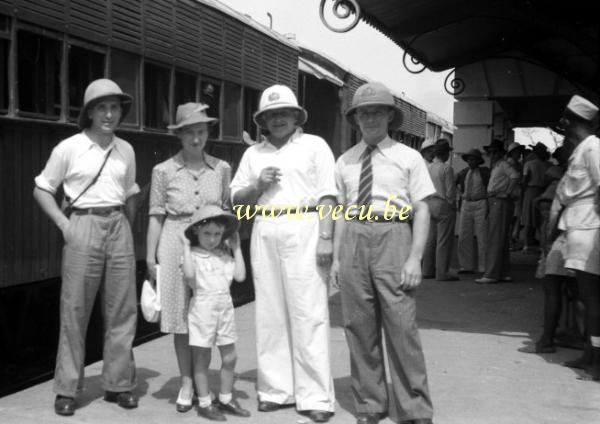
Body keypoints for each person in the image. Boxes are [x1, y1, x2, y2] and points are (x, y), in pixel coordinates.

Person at [33, 79, 140, 416]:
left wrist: (126, 227)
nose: (109, 114)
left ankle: (119, 384)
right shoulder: (69, 147)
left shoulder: (126, 149)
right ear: (90, 112)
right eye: (102, 108)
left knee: (122, 310)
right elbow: (42, 189)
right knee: (75, 311)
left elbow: (130, 191)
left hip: (118, 225)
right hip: (83, 226)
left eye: (115, 108)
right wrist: (65, 225)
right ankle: (67, 389)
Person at [230, 84, 336, 423]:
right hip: (265, 227)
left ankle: (316, 396)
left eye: (283, 113)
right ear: (262, 120)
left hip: (305, 228)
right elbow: (236, 200)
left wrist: (326, 237)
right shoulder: (253, 155)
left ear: (295, 116)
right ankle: (275, 390)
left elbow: (328, 196)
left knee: (309, 311)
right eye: (271, 115)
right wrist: (257, 185)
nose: (278, 119)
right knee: (271, 313)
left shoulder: (315, 146)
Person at [332, 82, 434, 424]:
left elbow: (421, 209)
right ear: (355, 119)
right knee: (358, 326)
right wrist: (336, 258)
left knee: (402, 326)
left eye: (377, 111)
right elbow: (344, 212)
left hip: (394, 234)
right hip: (354, 240)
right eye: (364, 112)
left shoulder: (409, 158)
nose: (370, 118)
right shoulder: (345, 161)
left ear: (390, 117)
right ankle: (370, 404)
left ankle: (415, 408)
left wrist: (415, 258)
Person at [146, 103, 231, 412]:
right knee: (181, 318)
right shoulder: (163, 171)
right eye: (189, 133)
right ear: (179, 136)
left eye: (201, 132)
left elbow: (227, 213)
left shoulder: (221, 168)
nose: (196, 139)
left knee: (206, 314)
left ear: (208, 133)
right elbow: (156, 215)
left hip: (209, 244)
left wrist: (230, 251)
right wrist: (150, 257)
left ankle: (203, 381)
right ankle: (186, 381)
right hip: (174, 242)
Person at [179, 205, 250, 421]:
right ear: (197, 233)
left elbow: (239, 277)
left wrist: (237, 249)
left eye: (217, 234)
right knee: (202, 357)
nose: (212, 239)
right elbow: (190, 275)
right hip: (202, 310)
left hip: (224, 310)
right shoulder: (193, 257)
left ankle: (225, 399)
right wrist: (185, 246)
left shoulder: (224, 257)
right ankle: (204, 402)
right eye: (207, 233)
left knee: (230, 356)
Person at [549, 95, 600, 380]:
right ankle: (590, 354)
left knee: (591, 297)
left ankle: (596, 359)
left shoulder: (593, 148)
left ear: (571, 121)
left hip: (589, 227)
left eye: (566, 119)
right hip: (577, 227)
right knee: (584, 295)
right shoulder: (581, 150)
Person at [475, 139, 520, 284]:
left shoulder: (504, 165)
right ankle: (503, 271)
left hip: (499, 200)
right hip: (496, 200)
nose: (491, 154)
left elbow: (515, 175)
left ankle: (492, 273)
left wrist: (506, 192)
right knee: (501, 237)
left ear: (500, 153)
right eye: (490, 152)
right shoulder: (498, 165)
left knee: (495, 237)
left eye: (494, 152)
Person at [423, 138, 459, 281]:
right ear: (445, 154)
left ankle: (427, 269)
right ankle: (442, 272)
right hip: (443, 204)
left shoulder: (428, 168)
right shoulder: (446, 168)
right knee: (443, 240)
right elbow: (450, 192)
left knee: (430, 239)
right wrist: (453, 205)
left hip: (428, 203)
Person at [456, 148, 490, 274]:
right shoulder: (463, 173)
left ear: (478, 161)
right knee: (464, 236)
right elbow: (456, 185)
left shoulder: (485, 172)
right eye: (469, 159)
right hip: (467, 203)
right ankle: (466, 266)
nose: (471, 161)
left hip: (480, 202)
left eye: (473, 159)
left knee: (482, 236)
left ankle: (484, 266)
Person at [521, 143, 550, 252]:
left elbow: (525, 179)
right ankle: (543, 245)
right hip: (543, 191)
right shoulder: (547, 165)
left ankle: (526, 244)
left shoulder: (529, 164)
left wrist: (522, 189)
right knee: (541, 220)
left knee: (528, 218)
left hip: (531, 191)